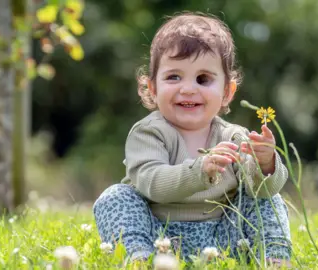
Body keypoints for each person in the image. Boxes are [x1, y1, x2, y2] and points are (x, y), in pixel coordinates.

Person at [93, 11, 292, 267]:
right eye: (173, 77)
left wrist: (265, 165)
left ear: (227, 92)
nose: (188, 88)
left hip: (223, 238)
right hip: (158, 235)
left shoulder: (233, 136)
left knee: (268, 202)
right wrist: (200, 170)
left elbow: (262, 190)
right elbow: (152, 182)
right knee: (115, 197)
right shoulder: (148, 133)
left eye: (203, 79)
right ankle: (138, 258)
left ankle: (274, 259)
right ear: (152, 88)